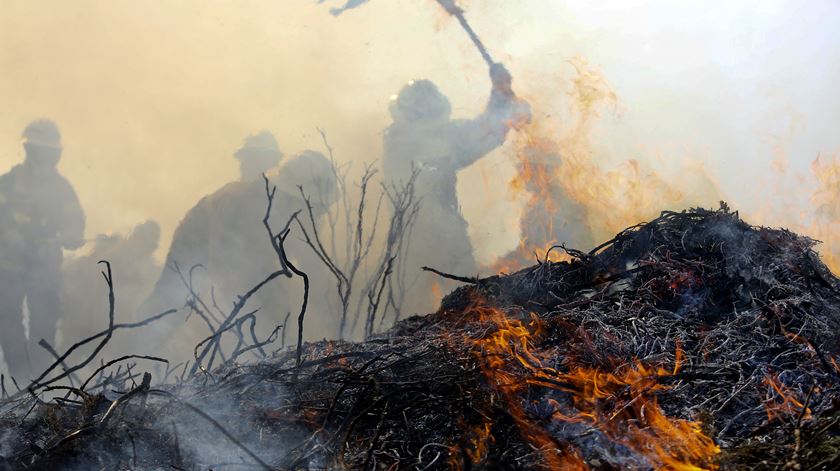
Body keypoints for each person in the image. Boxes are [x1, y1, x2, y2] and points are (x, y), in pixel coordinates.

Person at [138, 132, 337, 360]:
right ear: (295, 195)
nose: (320, 214)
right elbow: (229, 265)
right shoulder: (244, 204)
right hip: (196, 240)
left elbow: (313, 268)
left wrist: (334, 316)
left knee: (269, 303)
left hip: (241, 253)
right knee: (171, 302)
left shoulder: (298, 211)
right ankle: (134, 347)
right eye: (316, 207)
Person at [383, 63, 530, 315]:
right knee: (466, 306)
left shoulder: (398, 136)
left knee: (428, 311)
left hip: (408, 241)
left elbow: (470, 134)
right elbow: (476, 135)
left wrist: (499, 96)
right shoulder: (421, 146)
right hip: (436, 242)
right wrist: (502, 101)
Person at [0, 119, 85, 380]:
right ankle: (21, 380)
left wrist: (67, 238)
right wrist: (9, 236)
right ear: (30, 150)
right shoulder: (8, 184)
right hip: (9, 271)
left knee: (44, 327)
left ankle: (39, 381)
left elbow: (75, 229)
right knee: (8, 325)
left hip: (45, 271)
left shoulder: (61, 190)